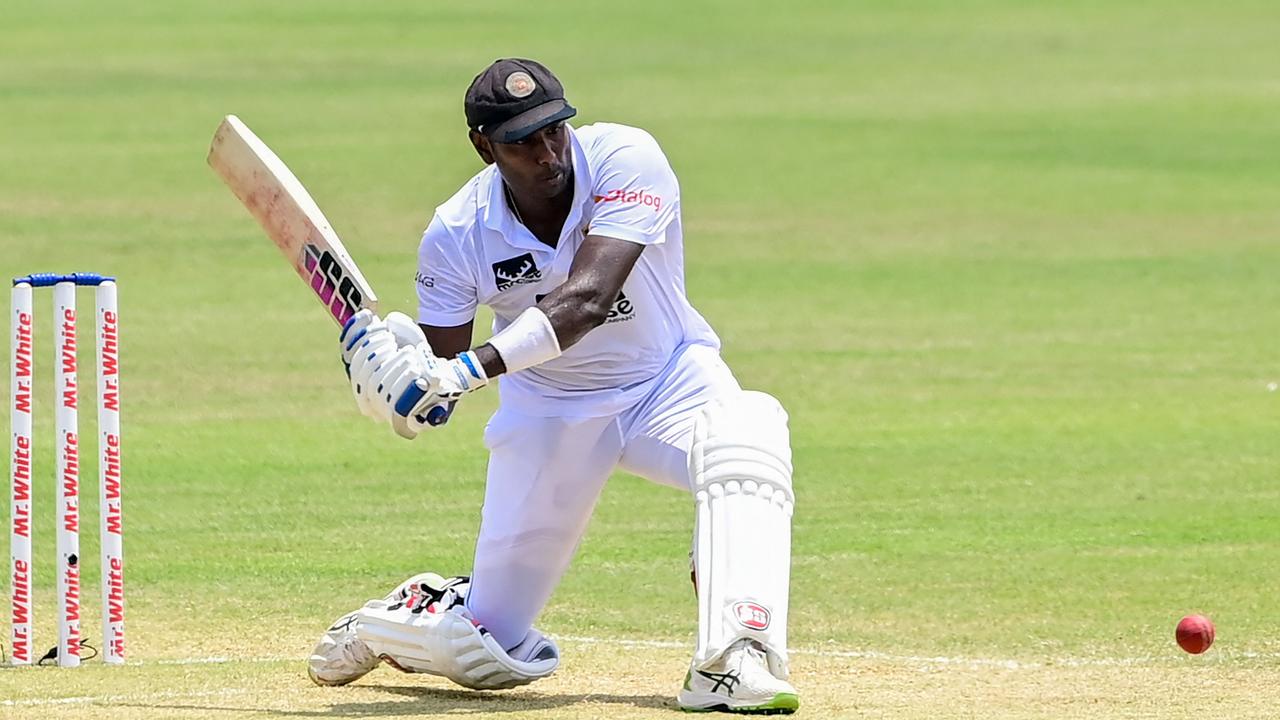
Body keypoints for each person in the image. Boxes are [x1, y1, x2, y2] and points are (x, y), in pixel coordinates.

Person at [308, 58, 798, 714]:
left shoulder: (627, 158)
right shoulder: (456, 234)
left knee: (750, 434)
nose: (548, 154)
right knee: (487, 652)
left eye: (554, 132)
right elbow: (438, 384)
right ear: (484, 147)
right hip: (549, 412)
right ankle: (405, 616)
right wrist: (396, 393)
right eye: (522, 142)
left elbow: (588, 299)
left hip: (668, 381)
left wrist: (467, 369)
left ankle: (733, 659)